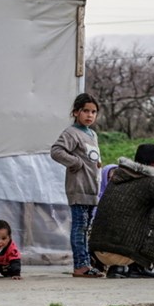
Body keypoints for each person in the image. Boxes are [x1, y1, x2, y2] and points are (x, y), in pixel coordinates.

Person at [90, 144, 154, 279]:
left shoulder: (117, 177)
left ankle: (119, 268)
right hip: (123, 254)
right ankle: (141, 265)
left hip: (99, 252)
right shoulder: (151, 182)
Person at [50, 93, 103, 278]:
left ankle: (87, 263)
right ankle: (80, 265)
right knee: (79, 227)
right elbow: (56, 151)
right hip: (78, 187)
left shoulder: (92, 134)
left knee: (86, 228)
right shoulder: (71, 133)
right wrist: (76, 163)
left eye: (93, 112)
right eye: (85, 111)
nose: (89, 115)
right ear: (75, 112)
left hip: (91, 188)